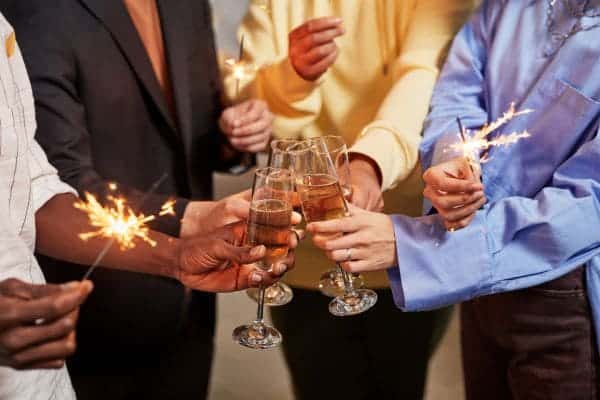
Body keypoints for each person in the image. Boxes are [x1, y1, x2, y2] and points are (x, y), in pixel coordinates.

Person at [308, 0, 600, 398]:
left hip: (568, 297)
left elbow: (588, 206)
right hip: (476, 286)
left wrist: (409, 244)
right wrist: (453, 161)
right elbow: (458, 91)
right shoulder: (506, 6)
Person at [0, 9, 296, 399]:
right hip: (101, 322)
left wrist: (177, 255)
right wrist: (190, 218)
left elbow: (35, 190)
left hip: (173, 318)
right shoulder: (33, 12)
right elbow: (67, 172)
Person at [230, 1, 475, 398]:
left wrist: (369, 164)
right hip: (303, 254)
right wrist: (293, 75)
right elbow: (247, 97)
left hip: (402, 245)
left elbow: (424, 79)